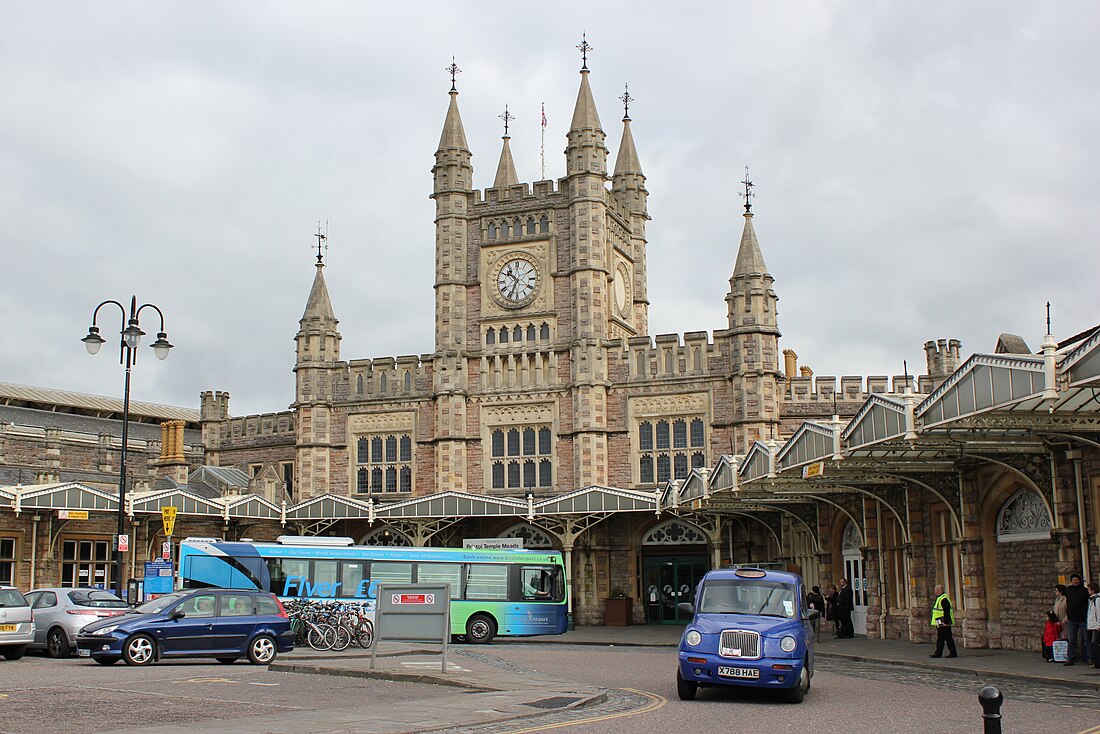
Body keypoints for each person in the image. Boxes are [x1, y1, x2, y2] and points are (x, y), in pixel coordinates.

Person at [1063, 573, 1090, 666]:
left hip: (1082, 618)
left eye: (1077, 579)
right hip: (1071, 619)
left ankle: (1090, 658)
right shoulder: (1069, 590)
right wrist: (1066, 616)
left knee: (1087, 639)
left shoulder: (1084, 590)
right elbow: (1067, 603)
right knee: (1071, 639)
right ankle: (1070, 658)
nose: (1075, 581)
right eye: (1073, 580)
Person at [929, 583, 958, 658]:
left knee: (947, 638)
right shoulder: (940, 598)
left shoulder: (943, 599)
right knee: (941, 638)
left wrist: (946, 622)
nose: (934, 591)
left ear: (938, 590)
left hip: (943, 622)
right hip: (940, 621)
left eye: (935, 590)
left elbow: (947, 611)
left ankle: (952, 653)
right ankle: (939, 653)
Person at [1087, 581, 1100, 669]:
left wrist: (1099, 624)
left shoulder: (1097, 599)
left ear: (1093, 590)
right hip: (1092, 625)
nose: (1088, 591)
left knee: (1096, 644)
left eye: (1089, 589)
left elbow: (1099, 612)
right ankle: (1096, 662)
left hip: (1096, 625)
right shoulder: (1092, 599)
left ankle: (1098, 662)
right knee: (1094, 644)